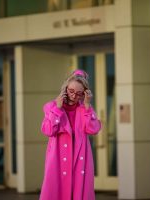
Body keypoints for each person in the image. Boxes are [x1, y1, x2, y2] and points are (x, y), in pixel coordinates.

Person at [39, 69, 101, 200]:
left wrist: (87, 106)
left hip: (79, 160)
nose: (74, 96)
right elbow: (48, 130)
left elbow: (93, 129)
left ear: (84, 94)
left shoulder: (85, 108)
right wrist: (57, 109)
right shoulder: (52, 107)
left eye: (79, 93)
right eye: (71, 91)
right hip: (58, 159)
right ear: (65, 89)